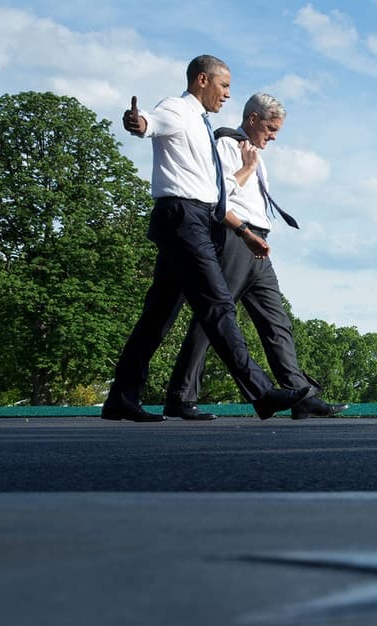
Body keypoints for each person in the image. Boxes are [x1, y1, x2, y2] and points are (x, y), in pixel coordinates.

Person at [101, 55, 313, 422]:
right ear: (202, 80)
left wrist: (243, 220)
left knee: (159, 315)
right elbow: (148, 122)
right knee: (217, 305)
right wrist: (136, 122)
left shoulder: (202, 125)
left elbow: (217, 191)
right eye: (225, 85)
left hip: (195, 216)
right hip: (182, 216)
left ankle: (121, 396)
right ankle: (262, 393)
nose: (228, 94)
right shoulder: (178, 110)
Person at [163, 93, 347, 421]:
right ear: (252, 120)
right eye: (271, 128)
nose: (274, 136)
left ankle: (300, 394)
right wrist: (248, 171)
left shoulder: (253, 152)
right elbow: (217, 197)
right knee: (213, 320)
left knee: (277, 322)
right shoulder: (226, 145)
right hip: (235, 239)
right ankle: (180, 395)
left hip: (259, 244)